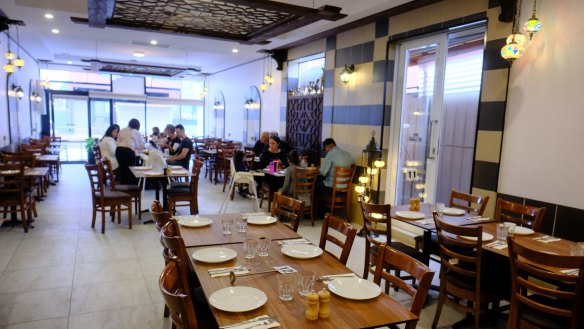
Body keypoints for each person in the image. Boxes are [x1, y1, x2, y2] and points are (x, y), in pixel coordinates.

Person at [115, 118, 145, 185]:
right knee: (130, 170)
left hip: (119, 150)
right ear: (138, 126)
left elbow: (118, 141)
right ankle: (130, 187)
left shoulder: (123, 130)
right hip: (128, 151)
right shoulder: (136, 132)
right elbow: (141, 145)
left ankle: (122, 186)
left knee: (122, 169)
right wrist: (137, 150)